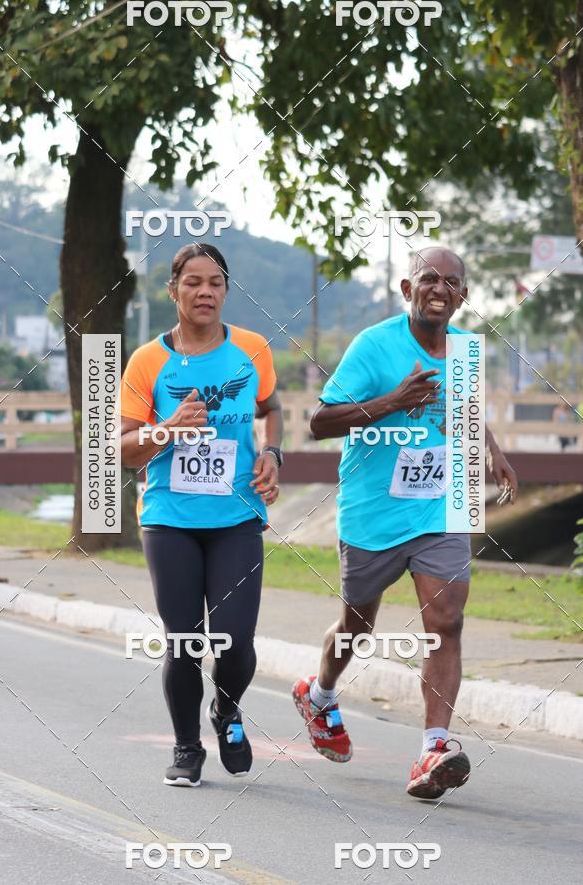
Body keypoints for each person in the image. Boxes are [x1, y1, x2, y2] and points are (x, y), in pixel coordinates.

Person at [292, 246, 518, 799]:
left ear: (463, 295)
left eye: (451, 282)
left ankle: (432, 750)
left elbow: (463, 410)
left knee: (446, 621)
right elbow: (319, 423)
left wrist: (492, 450)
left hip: (441, 507)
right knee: (356, 629)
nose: (440, 288)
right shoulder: (374, 345)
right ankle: (318, 693)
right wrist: (394, 401)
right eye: (428, 279)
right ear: (406, 289)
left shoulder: (466, 350)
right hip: (373, 512)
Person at [120, 243, 283, 787]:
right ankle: (187, 747)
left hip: (236, 515)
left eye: (215, 282)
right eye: (193, 282)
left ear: (226, 290)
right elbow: (118, 448)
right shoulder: (147, 360)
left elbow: (271, 408)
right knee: (185, 639)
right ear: (173, 290)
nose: (205, 291)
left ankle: (227, 710)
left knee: (235, 644)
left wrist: (272, 454)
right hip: (169, 518)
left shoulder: (253, 349)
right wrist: (169, 429)